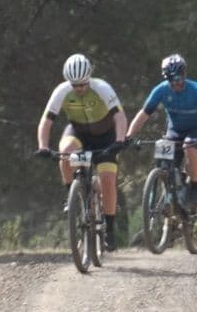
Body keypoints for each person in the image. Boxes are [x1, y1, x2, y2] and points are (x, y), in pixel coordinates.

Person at [36, 53, 130, 250]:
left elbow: (120, 117)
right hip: (78, 133)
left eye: (82, 84)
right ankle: (72, 194)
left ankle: (110, 229)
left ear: (89, 79)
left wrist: (120, 140)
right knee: (65, 152)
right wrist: (43, 146)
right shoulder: (61, 91)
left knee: (107, 179)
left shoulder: (102, 88)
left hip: (106, 137)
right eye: (75, 85)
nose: (79, 89)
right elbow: (46, 121)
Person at [127, 54, 197, 211]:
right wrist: (128, 137)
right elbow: (143, 115)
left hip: (196, 128)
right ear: (166, 78)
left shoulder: (196, 90)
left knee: (189, 146)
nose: (176, 82)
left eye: (179, 78)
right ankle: (171, 197)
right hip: (175, 130)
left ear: (185, 75)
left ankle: (194, 186)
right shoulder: (161, 90)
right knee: (164, 159)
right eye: (172, 79)